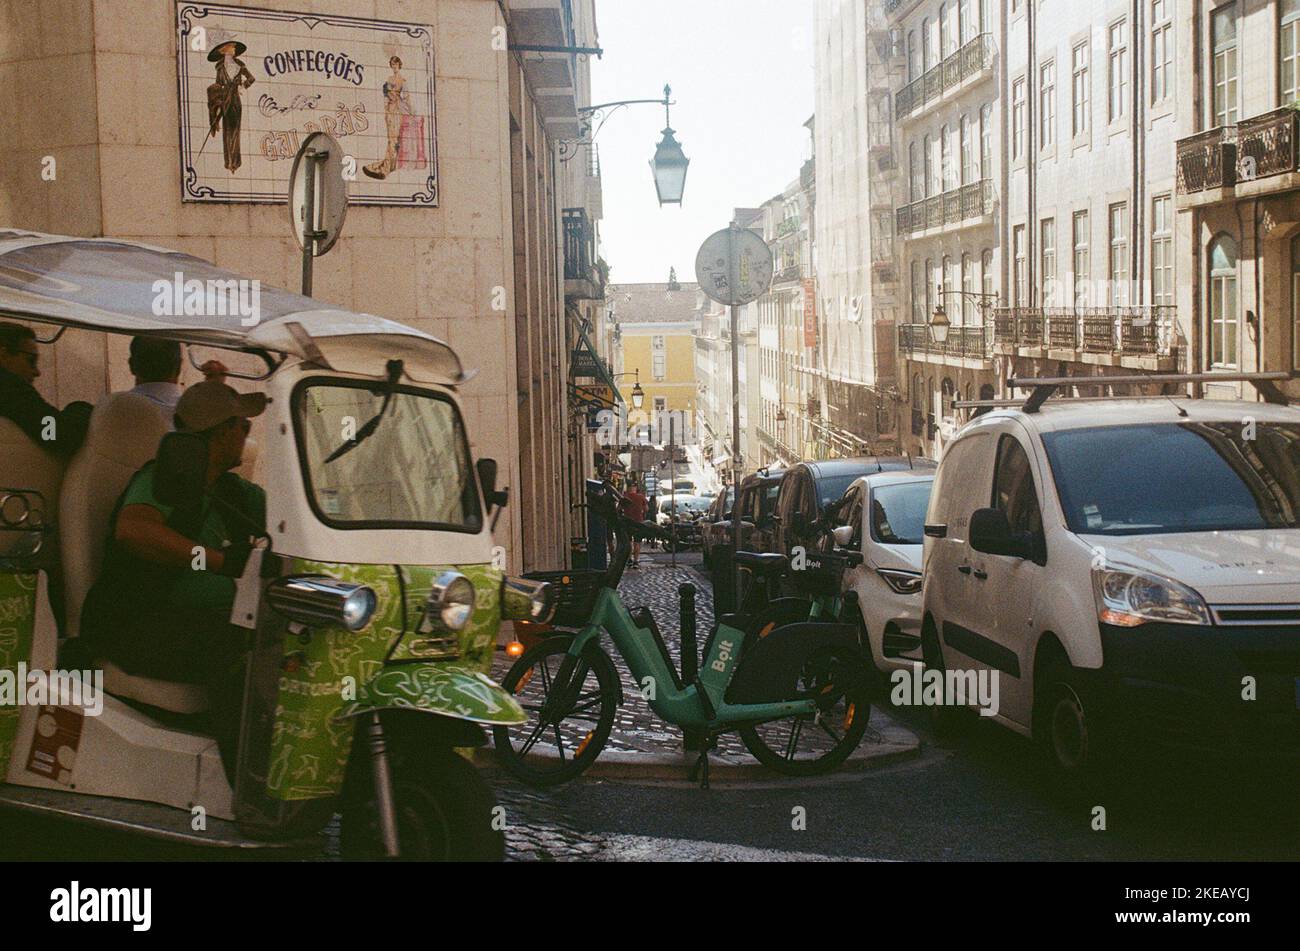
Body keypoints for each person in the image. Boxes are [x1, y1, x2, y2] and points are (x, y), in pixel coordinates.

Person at [80, 380, 267, 777]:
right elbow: (133, 530)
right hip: (143, 623)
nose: (247, 436)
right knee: (242, 655)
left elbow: (287, 524)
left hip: (212, 621)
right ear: (220, 434)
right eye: (243, 427)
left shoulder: (235, 492)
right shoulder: (162, 480)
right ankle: (252, 787)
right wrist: (215, 560)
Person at [0, 322, 92, 458]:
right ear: (3, 354)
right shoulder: (9, 387)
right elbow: (57, 434)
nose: (37, 372)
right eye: (31, 360)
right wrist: (83, 409)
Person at [126, 336, 229, 411]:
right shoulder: (196, 416)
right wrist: (214, 391)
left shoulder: (113, 407)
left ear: (131, 366)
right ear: (179, 367)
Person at [621, 478, 649, 568]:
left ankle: (629, 560)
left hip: (627, 522)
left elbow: (618, 509)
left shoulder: (624, 497)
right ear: (635, 488)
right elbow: (646, 509)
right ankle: (636, 561)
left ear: (628, 487)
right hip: (638, 522)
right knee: (637, 542)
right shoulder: (641, 497)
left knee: (629, 542)